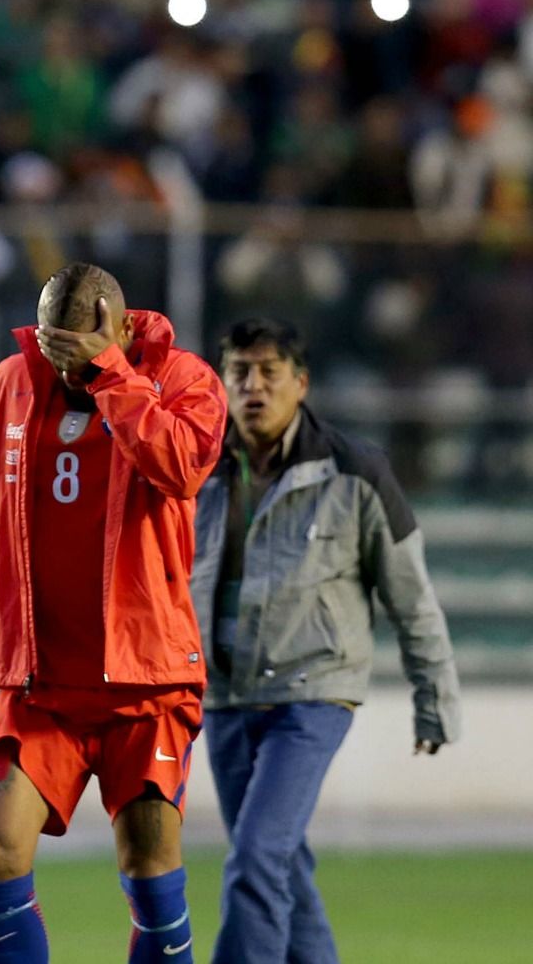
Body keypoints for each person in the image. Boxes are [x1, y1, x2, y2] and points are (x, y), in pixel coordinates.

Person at [0, 263, 226, 963]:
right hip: (36, 681)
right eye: (54, 348)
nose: (63, 365)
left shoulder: (186, 381)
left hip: (144, 680)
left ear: (120, 322)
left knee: (149, 865)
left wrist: (111, 375)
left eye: (76, 348)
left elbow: (182, 469)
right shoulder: (11, 383)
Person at [193, 319, 461, 964]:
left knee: (257, 856)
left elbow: (411, 595)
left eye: (269, 373)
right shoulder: (195, 468)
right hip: (223, 694)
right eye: (239, 373)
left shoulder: (355, 470)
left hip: (312, 693)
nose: (253, 387)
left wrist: (436, 698)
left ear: (300, 383)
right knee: (282, 868)